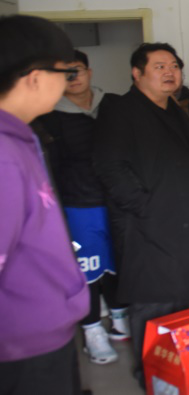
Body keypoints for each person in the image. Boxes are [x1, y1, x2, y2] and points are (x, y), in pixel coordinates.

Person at [93, 42, 189, 386]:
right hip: (150, 228)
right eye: (159, 66)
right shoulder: (121, 110)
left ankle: (182, 376)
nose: (170, 72)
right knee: (154, 306)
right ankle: (153, 379)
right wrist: (147, 209)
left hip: (187, 225)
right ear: (136, 73)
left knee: (187, 306)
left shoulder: (174, 109)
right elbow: (110, 167)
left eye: (174, 66)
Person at [0, 15, 89, 395]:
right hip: (21, 345)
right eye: (64, 72)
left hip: (41, 332)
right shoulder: (4, 154)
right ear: (35, 77)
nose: (68, 82)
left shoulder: (21, 137)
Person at [35, 50, 129, 366]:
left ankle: (120, 318)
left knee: (119, 263)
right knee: (85, 270)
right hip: (77, 206)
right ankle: (92, 330)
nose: (73, 78)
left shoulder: (113, 105)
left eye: (76, 70)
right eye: (65, 73)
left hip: (117, 202)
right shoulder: (48, 116)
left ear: (89, 72)